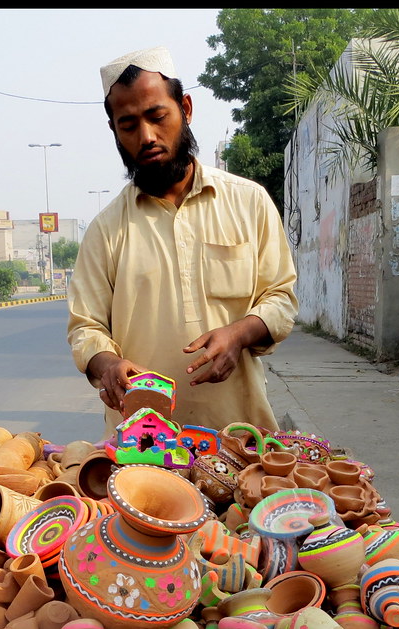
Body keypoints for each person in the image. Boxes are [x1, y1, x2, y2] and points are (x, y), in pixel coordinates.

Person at [67, 45, 299, 440]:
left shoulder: (249, 201)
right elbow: (84, 327)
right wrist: (106, 365)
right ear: (114, 131)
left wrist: (238, 334)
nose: (147, 136)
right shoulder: (106, 229)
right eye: (128, 125)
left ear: (186, 109)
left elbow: (280, 299)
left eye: (158, 116)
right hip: (142, 448)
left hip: (241, 437)